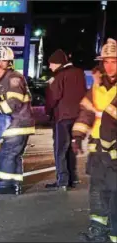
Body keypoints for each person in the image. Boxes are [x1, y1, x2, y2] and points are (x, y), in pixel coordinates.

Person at [71, 38, 117, 242]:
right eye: (106, 61)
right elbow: (86, 113)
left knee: (115, 193)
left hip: (115, 150)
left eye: (114, 61)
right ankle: (99, 231)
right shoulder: (97, 87)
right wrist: (78, 135)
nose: (109, 66)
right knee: (98, 192)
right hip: (98, 149)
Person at [0, 56, 35, 195]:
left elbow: (14, 102)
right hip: (14, 124)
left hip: (17, 123)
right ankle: (14, 184)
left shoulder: (13, 78)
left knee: (7, 154)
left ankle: (6, 185)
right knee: (14, 155)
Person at [44, 49, 87, 191]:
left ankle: (62, 180)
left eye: (51, 64)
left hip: (62, 117)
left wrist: (48, 111)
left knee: (60, 149)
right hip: (77, 116)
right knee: (70, 149)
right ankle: (72, 178)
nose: (50, 67)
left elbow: (53, 97)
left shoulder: (60, 75)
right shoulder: (79, 73)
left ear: (57, 63)